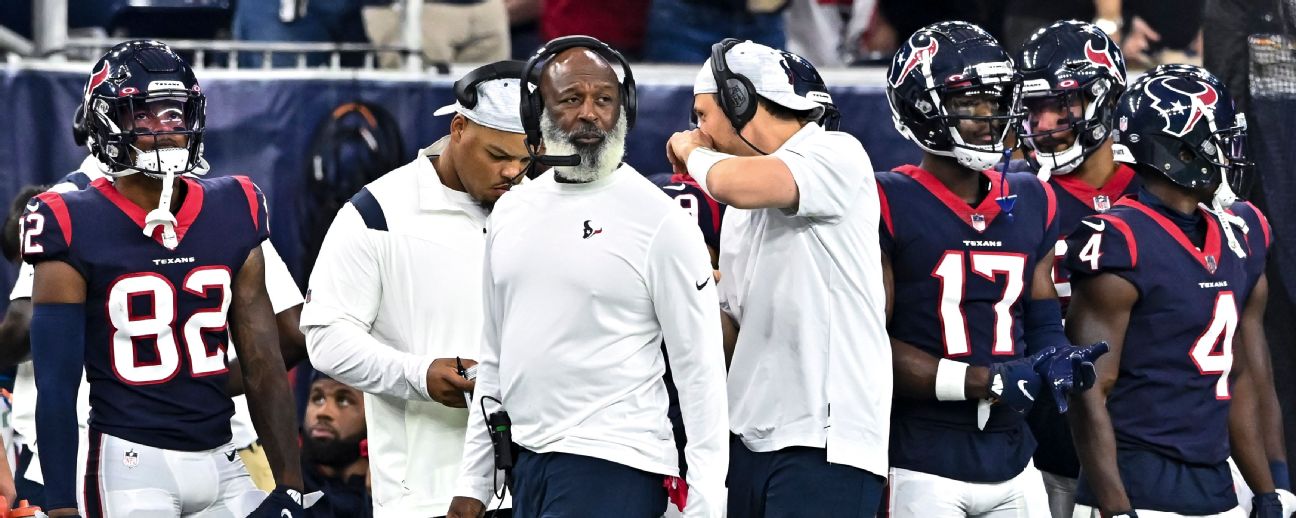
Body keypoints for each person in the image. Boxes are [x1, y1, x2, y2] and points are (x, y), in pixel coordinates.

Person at [19, 40, 312, 516]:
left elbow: (264, 361)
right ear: (107, 120)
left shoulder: (234, 205)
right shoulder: (67, 217)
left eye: (175, 115)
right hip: (129, 462)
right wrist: (60, 505)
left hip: (224, 460)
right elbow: (57, 383)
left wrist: (292, 487)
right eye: (146, 114)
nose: (167, 129)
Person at [449, 35, 728, 518]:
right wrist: (473, 483)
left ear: (625, 110)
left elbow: (700, 373)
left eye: (604, 99)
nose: (590, 114)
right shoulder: (511, 212)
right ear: (538, 111)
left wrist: (706, 503)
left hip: (616, 461)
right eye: (571, 99)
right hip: (526, 465)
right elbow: (495, 357)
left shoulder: (659, 221)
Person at [876, 21, 1105, 517]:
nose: (988, 117)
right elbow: (867, 342)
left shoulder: (1031, 196)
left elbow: (1041, 318)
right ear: (920, 107)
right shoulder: (885, 199)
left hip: (1014, 455)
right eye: (969, 102)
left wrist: (1057, 357)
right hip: (921, 456)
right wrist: (982, 381)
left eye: (997, 100)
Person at [666, 39, 889, 516]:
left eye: (703, 116)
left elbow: (732, 183)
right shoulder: (742, 206)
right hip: (748, 433)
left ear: (741, 102)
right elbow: (734, 334)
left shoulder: (836, 152)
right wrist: (693, 290)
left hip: (826, 442)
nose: (698, 132)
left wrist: (689, 151)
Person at [302, 60, 531, 515]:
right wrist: (419, 374)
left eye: (526, 159)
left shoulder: (536, 207)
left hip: (535, 485)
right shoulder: (377, 213)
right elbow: (325, 339)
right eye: (498, 155)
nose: (513, 172)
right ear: (459, 128)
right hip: (426, 494)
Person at [1065, 66, 1293, 517]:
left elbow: (1242, 376)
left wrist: (1268, 489)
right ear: (1180, 150)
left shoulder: (1242, 231)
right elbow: (1089, 389)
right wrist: (1114, 506)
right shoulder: (1120, 239)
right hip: (1139, 485)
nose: (1230, 152)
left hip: (1216, 483)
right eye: (1218, 139)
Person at [1012, 20, 1137, 518]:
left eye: (1061, 106)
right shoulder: (1011, 193)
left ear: (1104, 97)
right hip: (1049, 432)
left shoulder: (1159, 186)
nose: (1043, 125)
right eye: (1033, 110)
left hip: (1154, 432)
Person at [302, 374, 371, 517]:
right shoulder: (283, 483)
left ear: (372, 415)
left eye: (343, 401)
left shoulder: (398, 489)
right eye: (317, 399)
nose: (323, 412)